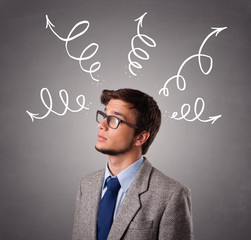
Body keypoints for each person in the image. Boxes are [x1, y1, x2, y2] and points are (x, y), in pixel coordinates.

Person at [72, 88, 194, 240]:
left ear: (140, 137)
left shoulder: (171, 195)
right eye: (104, 115)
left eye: (114, 120)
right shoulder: (86, 185)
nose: (101, 125)